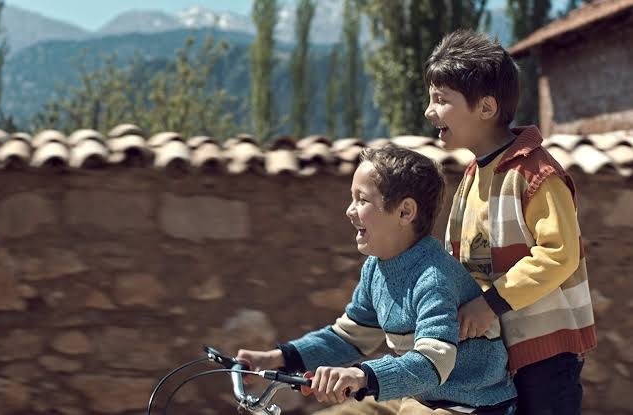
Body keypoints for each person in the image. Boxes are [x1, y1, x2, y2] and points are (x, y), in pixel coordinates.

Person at [237, 146, 517, 414]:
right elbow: (348, 338)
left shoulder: (433, 278)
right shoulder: (375, 269)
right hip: (423, 397)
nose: (350, 210)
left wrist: (362, 376)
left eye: (362, 200)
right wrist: (276, 358)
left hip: (468, 404)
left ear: (405, 212)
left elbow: (432, 363)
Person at [423, 30, 596, 415]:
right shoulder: (473, 175)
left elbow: (559, 254)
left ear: (486, 107)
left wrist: (490, 303)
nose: (429, 112)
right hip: (497, 356)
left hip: (545, 358)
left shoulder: (536, 174)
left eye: (441, 100)